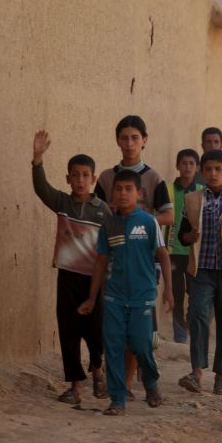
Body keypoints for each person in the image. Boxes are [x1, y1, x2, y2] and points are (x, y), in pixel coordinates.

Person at [78, 170, 173, 416]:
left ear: (138, 193)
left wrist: (169, 292)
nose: (122, 193)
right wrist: (91, 296)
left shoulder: (149, 222)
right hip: (114, 297)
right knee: (113, 346)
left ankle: (151, 381)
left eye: (128, 189)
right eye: (118, 189)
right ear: (112, 193)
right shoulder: (108, 224)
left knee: (141, 345)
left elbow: (162, 256)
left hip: (142, 296)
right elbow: (100, 261)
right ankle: (117, 400)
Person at [31, 131, 111, 404]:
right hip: (67, 276)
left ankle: (98, 369)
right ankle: (76, 386)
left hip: (94, 280)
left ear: (94, 179)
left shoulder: (103, 211)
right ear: (68, 179)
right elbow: (42, 189)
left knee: (96, 330)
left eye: (85, 175)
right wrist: (38, 159)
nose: (80, 180)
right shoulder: (63, 204)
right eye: (74, 175)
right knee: (68, 331)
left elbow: (111, 246)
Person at [95, 115, 173, 391]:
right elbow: (99, 214)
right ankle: (114, 377)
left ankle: (129, 379)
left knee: (136, 330)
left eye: (135, 138)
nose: (129, 143)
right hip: (113, 261)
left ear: (144, 141)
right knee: (113, 322)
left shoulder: (154, 178)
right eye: (124, 138)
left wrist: (140, 217)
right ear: (117, 140)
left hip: (144, 263)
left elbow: (169, 215)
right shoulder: (106, 177)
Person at [176, 150, 222, 396]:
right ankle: (196, 372)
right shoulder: (192, 199)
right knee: (197, 316)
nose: (213, 174)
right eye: (209, 170)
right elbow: (182, 236)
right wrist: (189, 236)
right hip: (202, 269)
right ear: (201, 173)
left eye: (218, 169)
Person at [166, 149, 203, 344]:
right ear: (177, 166)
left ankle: (188, 325)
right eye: (184, 163)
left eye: (191, 163)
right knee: (177, 293)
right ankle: (179, 333)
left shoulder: (201, 191)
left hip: (193, 252)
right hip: (172, 251)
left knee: (195, 293)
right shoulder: (168, 190)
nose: (187, 167)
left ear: (197, 168)